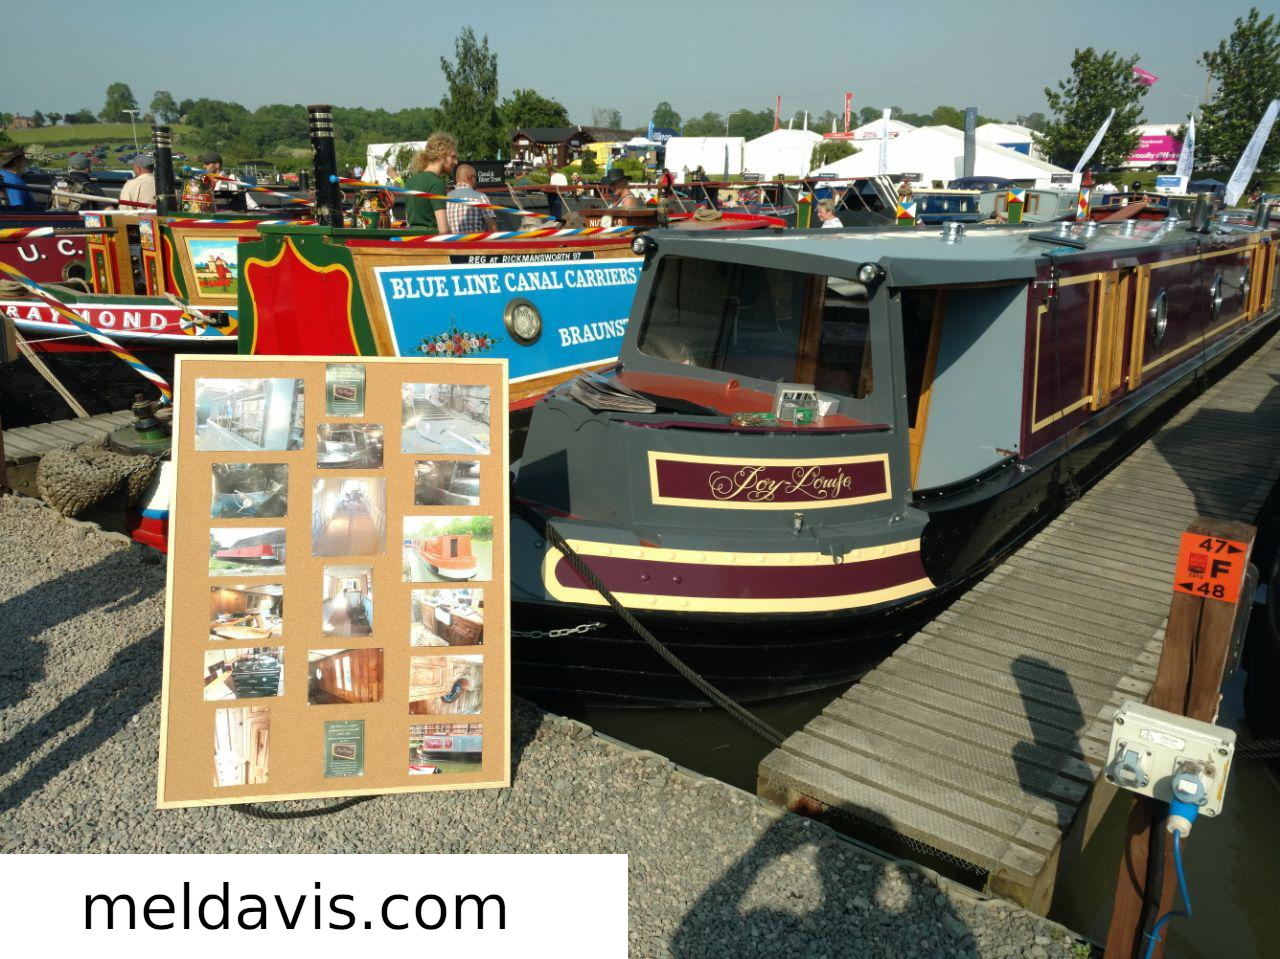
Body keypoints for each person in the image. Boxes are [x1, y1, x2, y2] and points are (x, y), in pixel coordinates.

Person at [404, 132, 458, 233]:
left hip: (412, 239)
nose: (456, 162)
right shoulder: (437, 184)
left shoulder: (410, 181)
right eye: (453, 157)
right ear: (442, 155)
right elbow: (443, 230)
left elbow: (408, 220)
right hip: (431, 242)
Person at [446, 164, 497, 233]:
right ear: (470, 178)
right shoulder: (481, 198)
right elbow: (492, 228)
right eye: (476, 178)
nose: (476, 181)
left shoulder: (445, 199)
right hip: (476, 243)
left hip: (452, 243)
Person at [0, 144, 38, 209]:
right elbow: (18, 208)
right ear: (17, 162)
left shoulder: (2, 174)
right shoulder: (14, 180)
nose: (26, 160)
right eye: (24, 158)